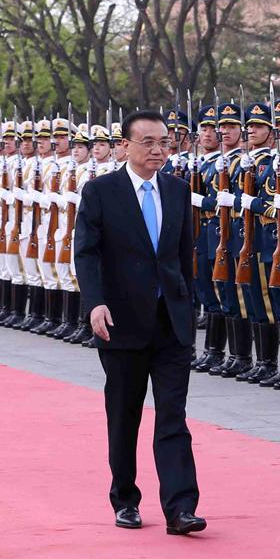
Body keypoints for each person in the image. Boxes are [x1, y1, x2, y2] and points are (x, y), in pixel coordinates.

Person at [74, 109, 206, 535]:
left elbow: (184, 256)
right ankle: (125, 498)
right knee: (124, 414)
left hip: (171, 322)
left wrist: (187, 304)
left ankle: (181, 507)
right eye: (147, 142)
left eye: (164, 142)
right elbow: (87, 253)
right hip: (121, 321)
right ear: (125, 146)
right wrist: (95, 303)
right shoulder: (100, 192)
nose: (157, 150)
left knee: (173, 415)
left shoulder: (177, 190)